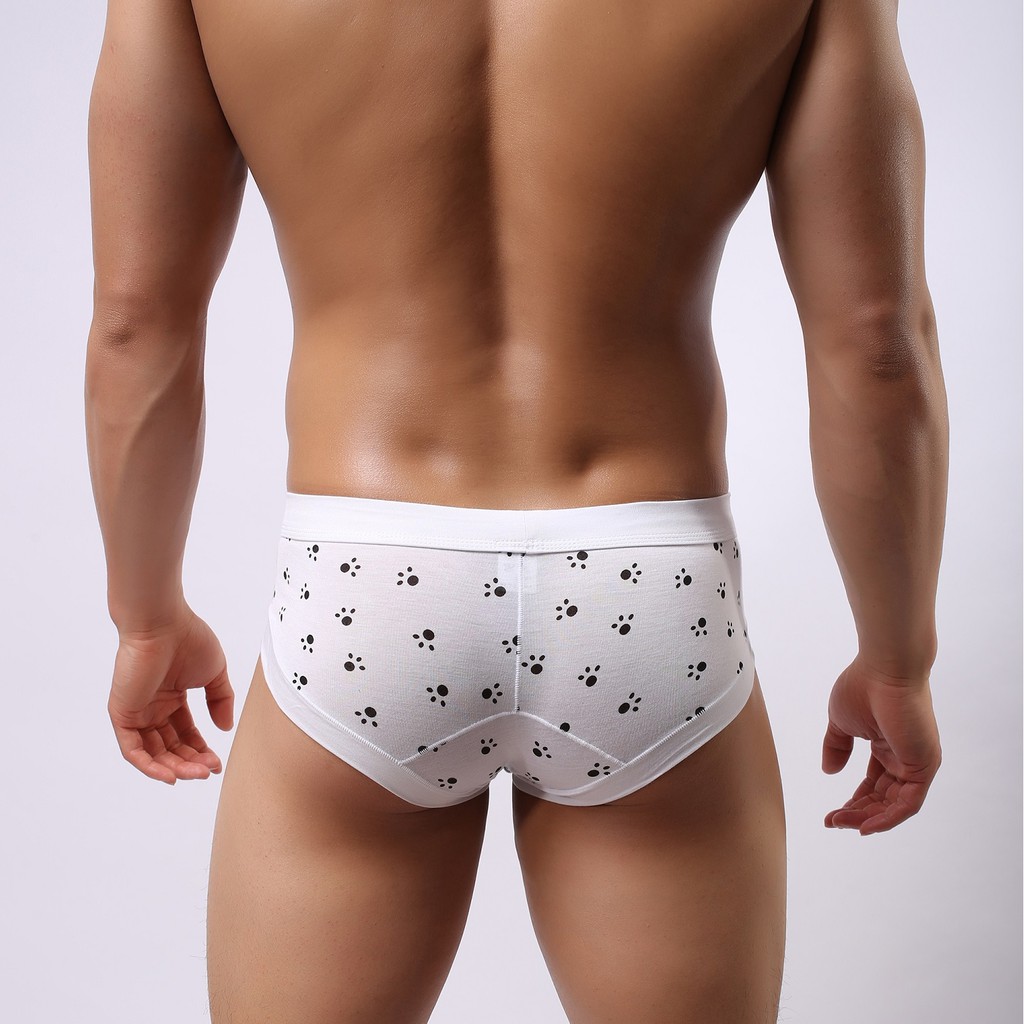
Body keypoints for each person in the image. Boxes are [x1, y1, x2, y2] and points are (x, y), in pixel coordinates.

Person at [83, 0, 947, 1020]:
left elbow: (137, 325)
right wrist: (898, 656)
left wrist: (145, 614)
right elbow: (875, 342)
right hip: (646, 589)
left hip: (369, 586)